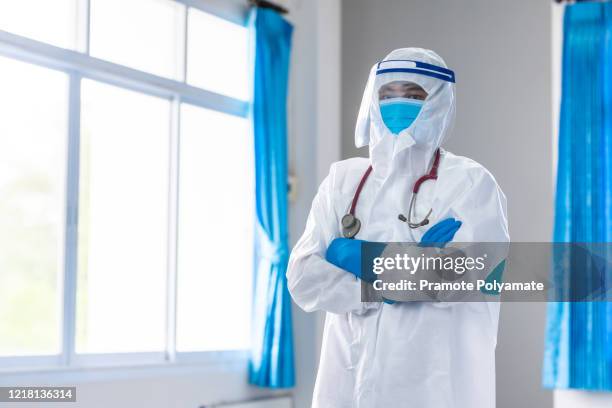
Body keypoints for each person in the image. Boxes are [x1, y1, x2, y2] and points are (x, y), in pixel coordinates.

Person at [286, 47, 509, 408]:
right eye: (386, 94)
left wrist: (359, 256)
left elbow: (470, 279)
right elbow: (303, 277)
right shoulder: (344, 181)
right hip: (347, 378)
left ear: (438, 101)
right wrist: (387, 284)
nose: (397, 103)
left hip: (433, 383)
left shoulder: (470, 183)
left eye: (413, 94)